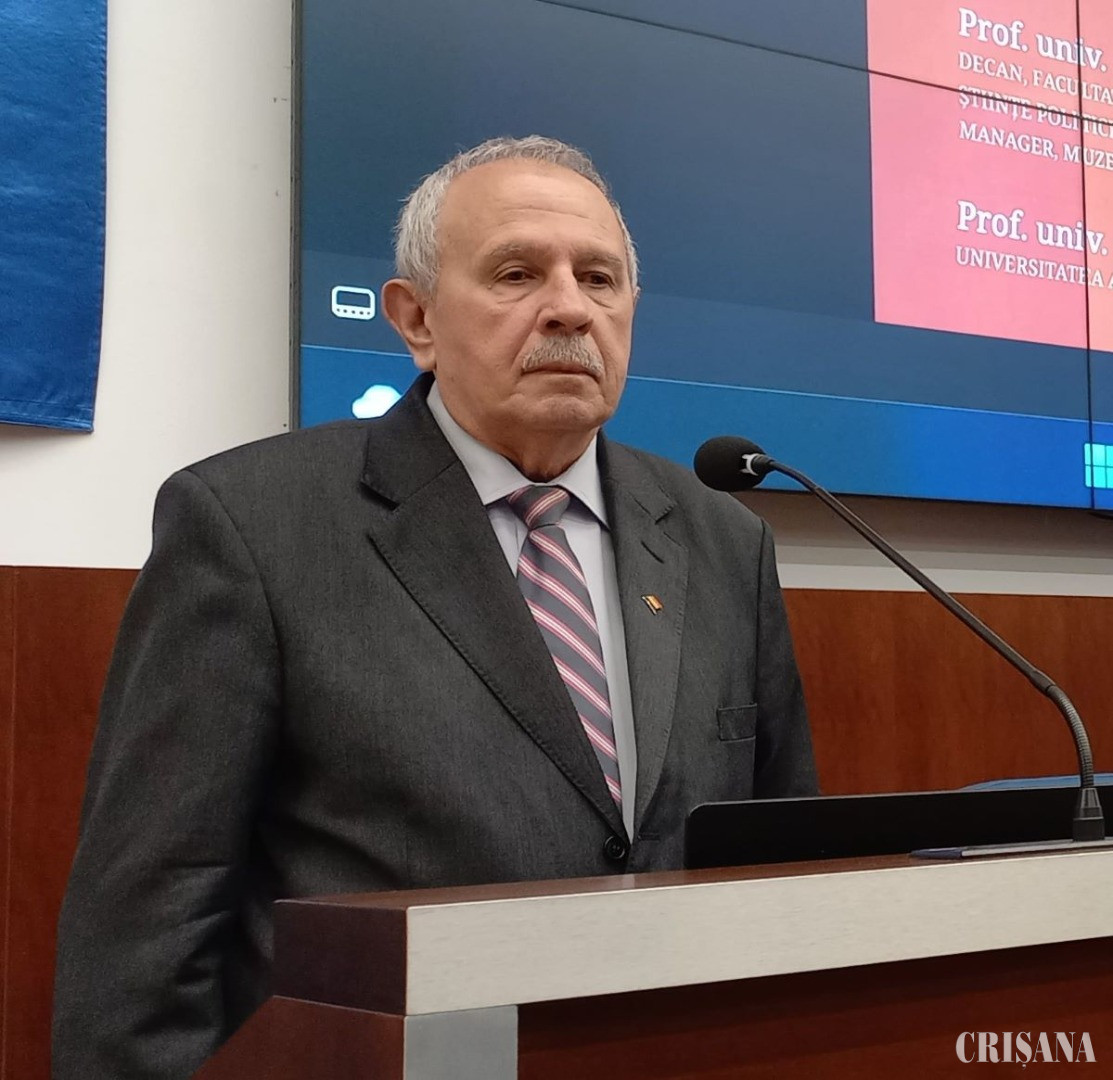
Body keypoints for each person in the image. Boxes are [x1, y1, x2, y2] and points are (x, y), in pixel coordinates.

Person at [52, 135, 817, 1079]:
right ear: (415, 318)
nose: (569, 308)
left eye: (598, 279)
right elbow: (153, 904)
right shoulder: (252, 525)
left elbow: (783, 864)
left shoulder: (719, 538)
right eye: (516, 274)